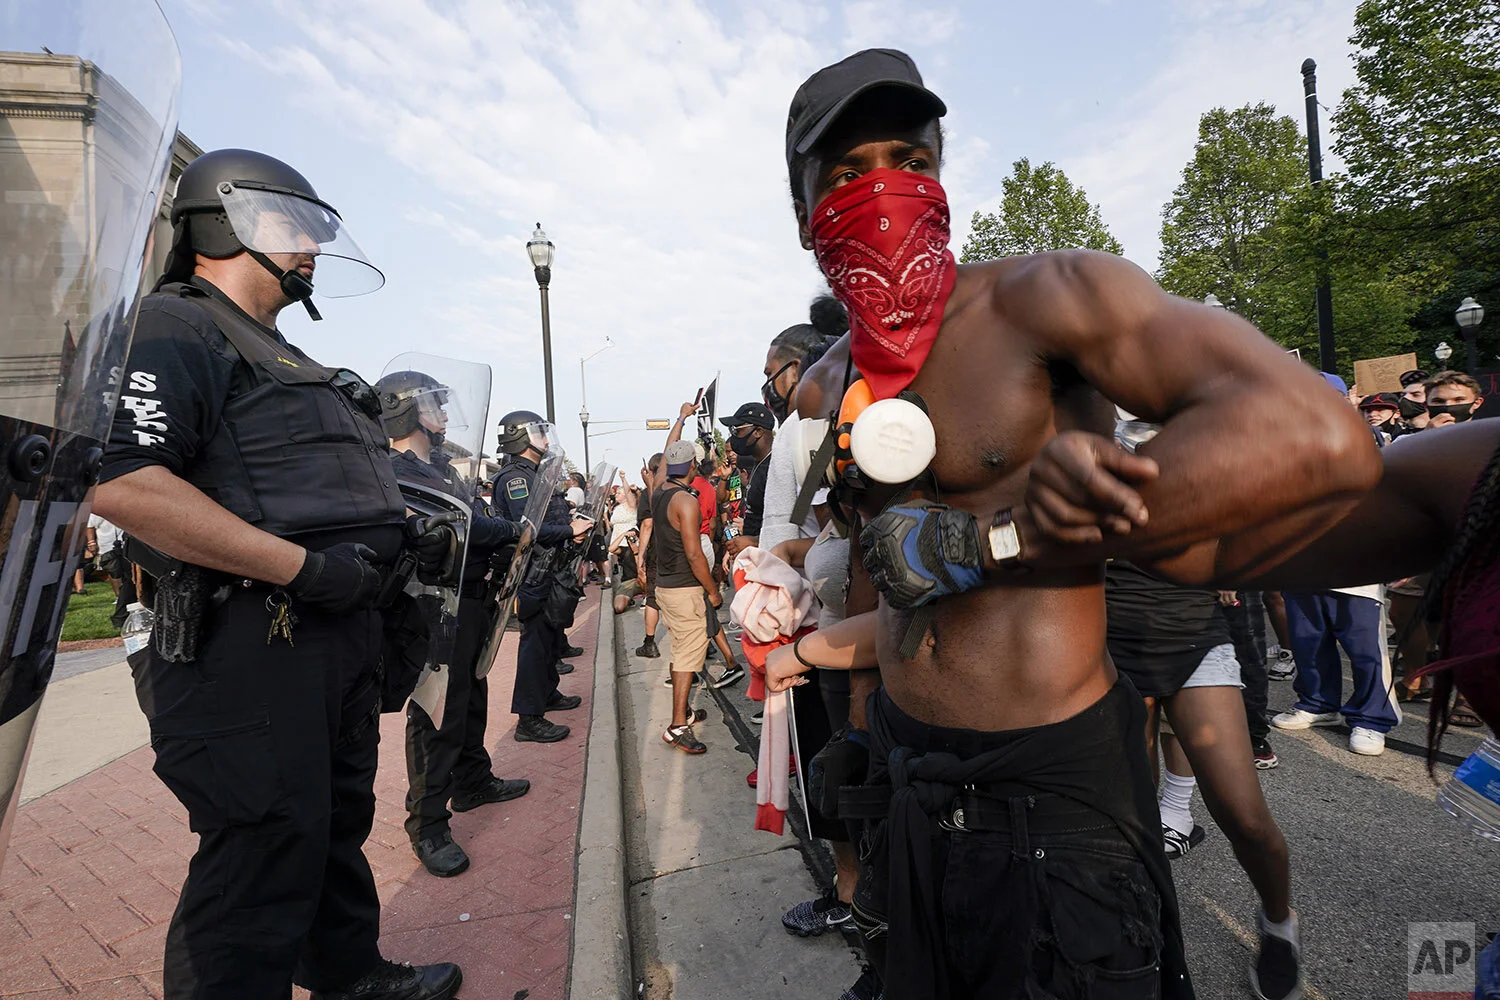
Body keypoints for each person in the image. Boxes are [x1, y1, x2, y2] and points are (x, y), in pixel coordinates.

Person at [764, 48, 1379, 1000]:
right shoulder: (827, 380)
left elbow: (1318, 432)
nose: (884, 190)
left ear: (940, 173)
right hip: (909, 781)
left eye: (909, 161)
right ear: (805, 214)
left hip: (1056, 794)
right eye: (846, 173)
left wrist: (994, 539)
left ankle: (1279, 920)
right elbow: (886, 578)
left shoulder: (1044, 297)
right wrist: (808, 640)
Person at [93, 148, 461, 1000]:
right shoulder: (175, 326)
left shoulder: (277, 351)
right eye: (296, 229)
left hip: (331, 632)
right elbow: (124, 482)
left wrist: (405, 537)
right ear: (229, 223)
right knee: (260, 846)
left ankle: (350, 973)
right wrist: (302, 568)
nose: (312, 251)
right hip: (248, 640)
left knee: (330, 822)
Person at [377, 371, 588, 878]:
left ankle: (472, 781)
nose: (446, 415)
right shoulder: (395, 471)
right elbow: (472, 525)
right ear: (407, 410)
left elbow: (477, 520)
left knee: (471, 696)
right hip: (433, 606)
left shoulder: (445, 470)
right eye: (434, 405)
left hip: (470, 599)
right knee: (436, 713)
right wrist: (518, 529)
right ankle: (427, 824)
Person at [492, 410, 589, 744]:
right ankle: (528, 718)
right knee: (534, 642)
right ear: (520, 437)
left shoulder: (536, 474)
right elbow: (526, 529)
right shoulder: (515, 478)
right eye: (538, 433)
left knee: (547, 638)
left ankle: (547, 694)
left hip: (547, 569)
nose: (546, 440)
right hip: (533, 573)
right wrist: (567, 530)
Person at [655, 440, 722, 754]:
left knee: (679, 649)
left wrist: (680, 420)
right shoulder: (686, 501)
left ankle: (685, 713)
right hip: (684, 588)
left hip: (666, 587)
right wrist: (712, 590)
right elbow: (695, 555)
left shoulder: (659, 493)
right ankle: (677, 726)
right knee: (686, 655)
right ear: (693, 467)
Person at [720, 402, 777, 558]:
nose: (733, 437)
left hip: (775, 564)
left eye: (737, 430)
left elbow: (787, 530)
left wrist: (753, 541)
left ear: (758, 431)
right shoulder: (759, 464)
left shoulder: (775, 468)